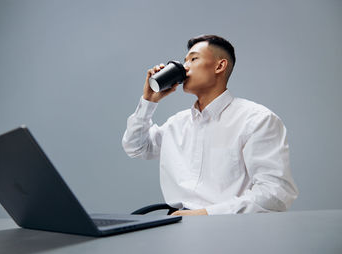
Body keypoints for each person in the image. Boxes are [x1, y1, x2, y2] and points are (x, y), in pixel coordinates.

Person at [122, 34, 298, 216]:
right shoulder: (177, 124)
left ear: (220, 66)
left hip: (231, 229)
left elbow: (275, 193)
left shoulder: (257, 120)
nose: (184, 67)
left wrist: (206, 214)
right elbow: (136, 147)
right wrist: (148, 101)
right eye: (184, 61)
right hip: (177, 227)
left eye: (193, 59)